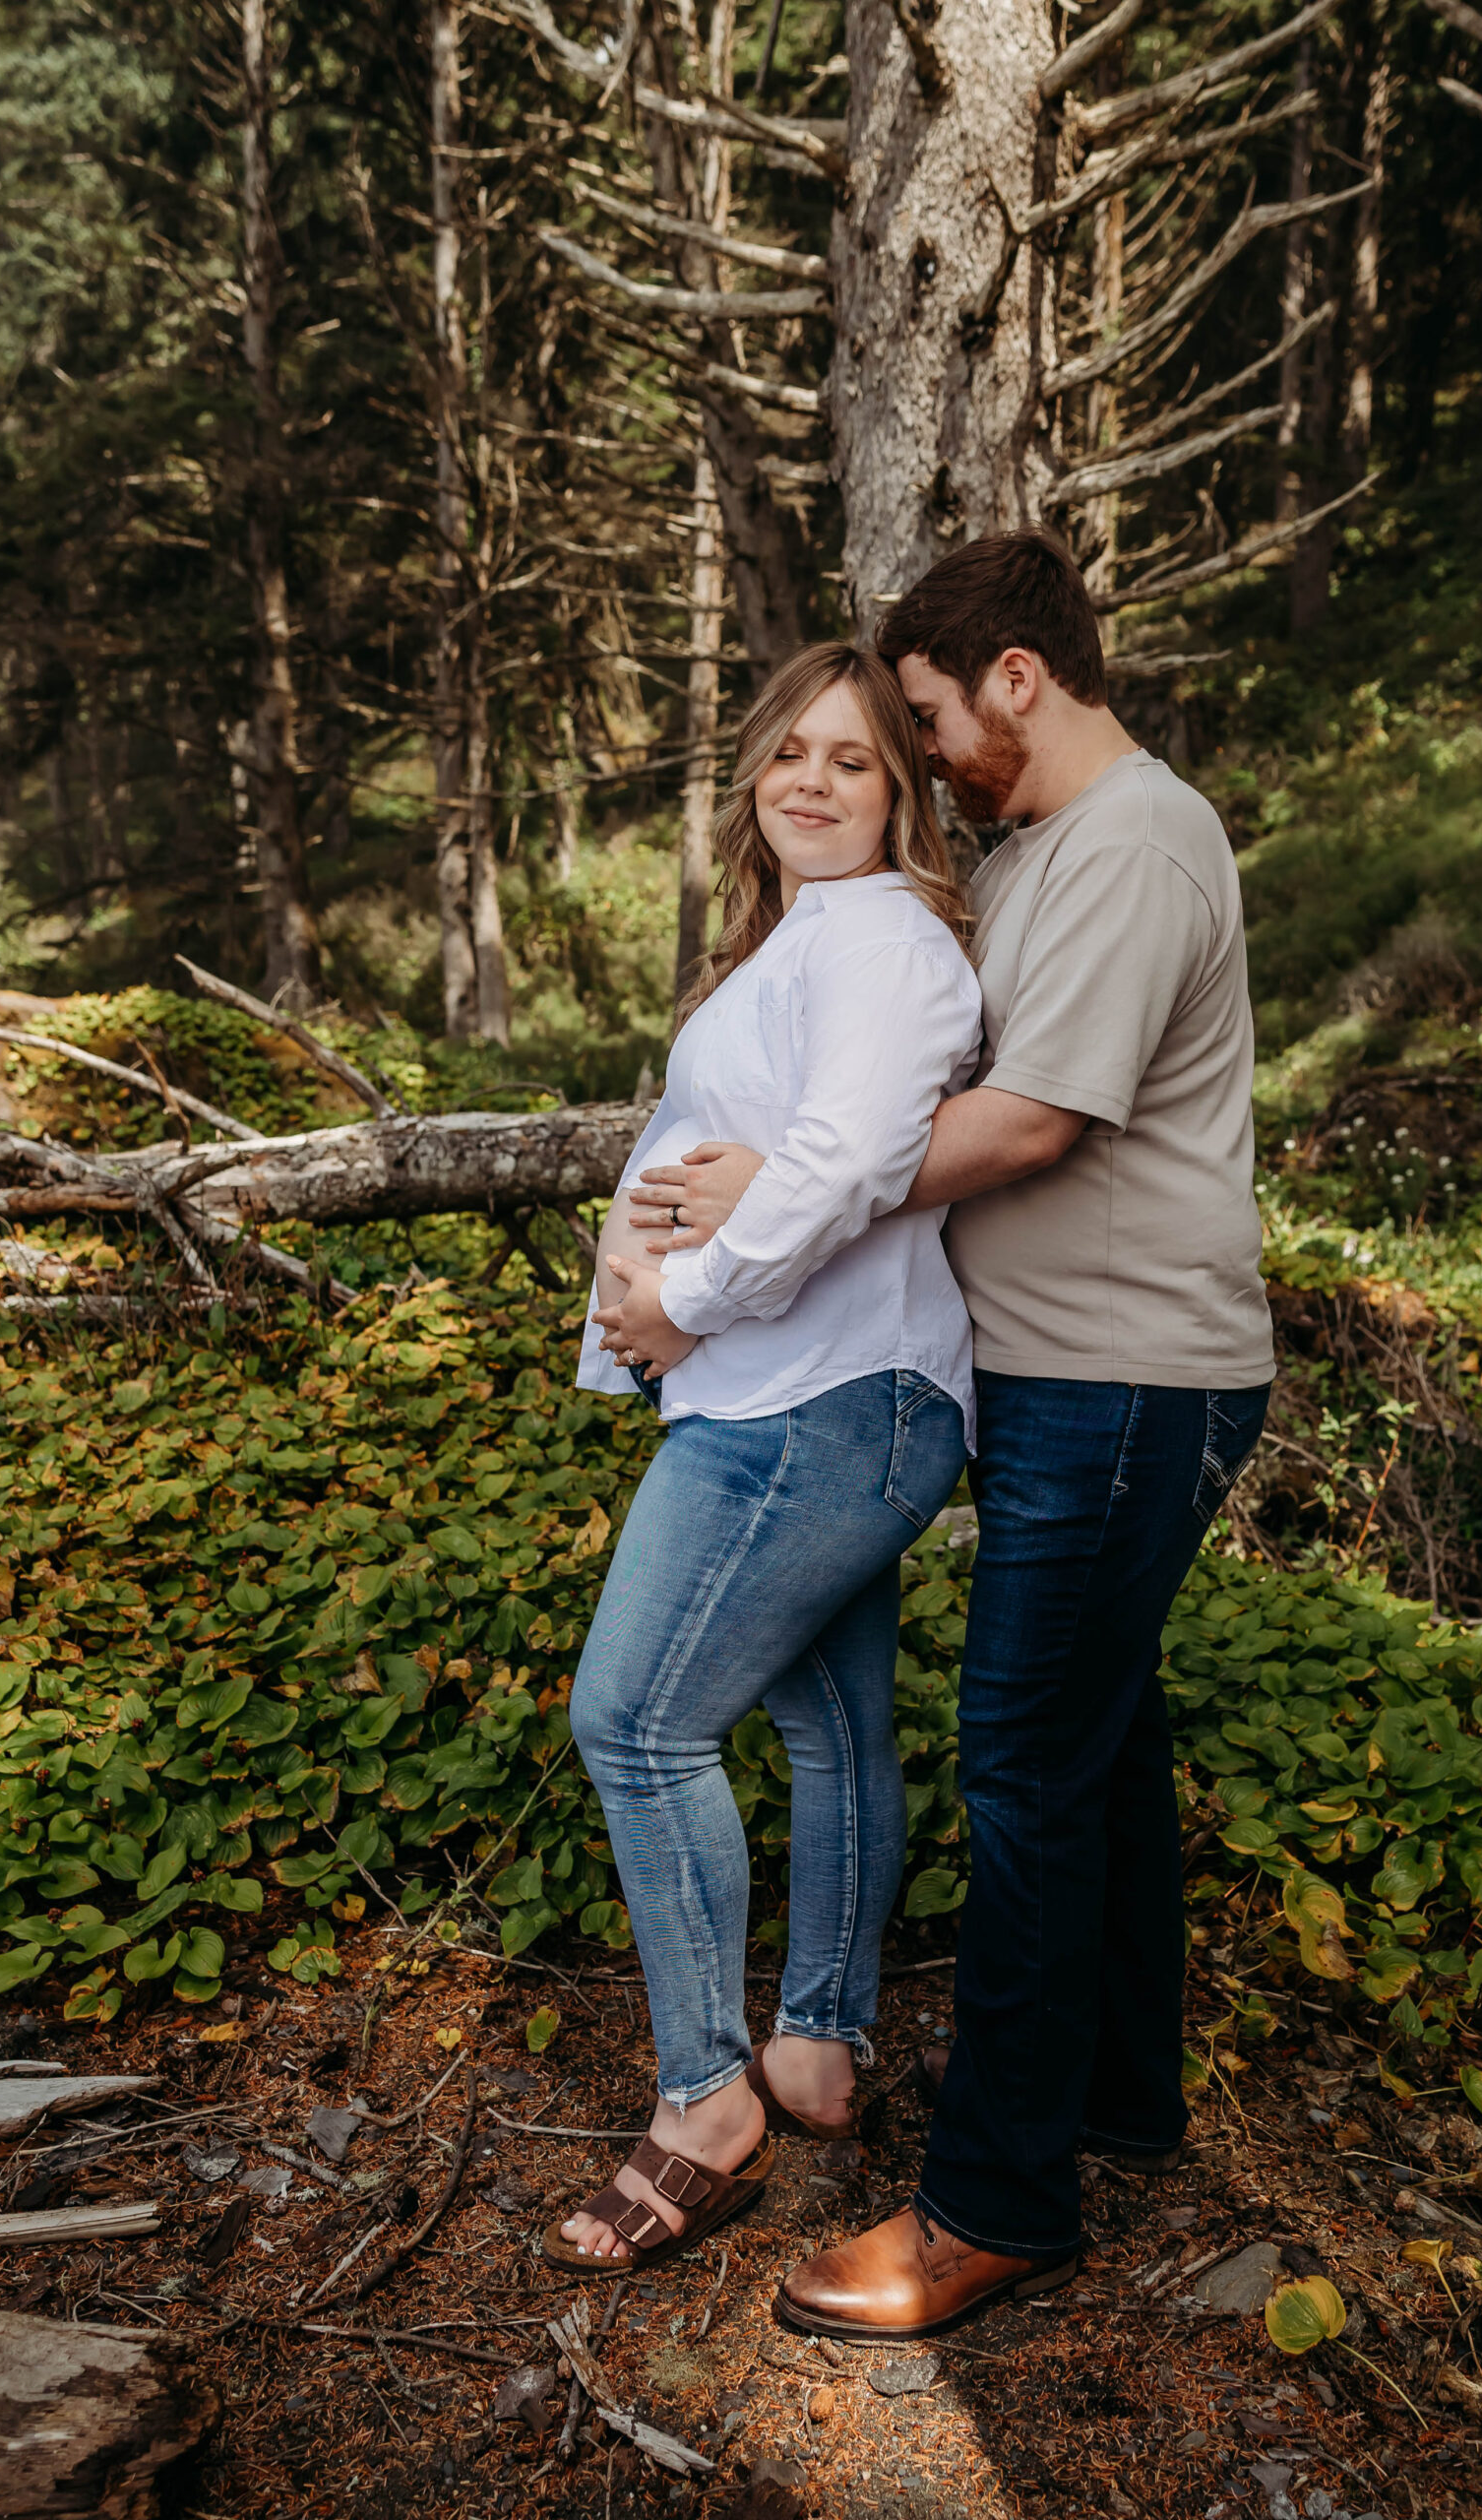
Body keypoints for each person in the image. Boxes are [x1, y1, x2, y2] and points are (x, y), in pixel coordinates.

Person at [626, 532, 1274, 2335]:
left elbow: (1037, 1122)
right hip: (1074, 1371)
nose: (914, 759)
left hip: (1129, 1375)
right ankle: (1118, 2101)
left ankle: (994, 2206)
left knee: (1024, 1771)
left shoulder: (1136, 838)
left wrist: (786, 1189)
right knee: (1100, 1749)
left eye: (919, 720)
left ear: (1014, 677)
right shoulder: (1048, 852)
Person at [542, 642, 982, 2276]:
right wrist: (635, 1329)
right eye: (788, 753)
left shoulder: (883, 942)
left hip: (821, 1396)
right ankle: (814, 2044)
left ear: (902, 792)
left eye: (852, 760)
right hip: (796, 1388)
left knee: (636, 1721)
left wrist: (693, 1302)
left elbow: (848, 1158)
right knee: (831, 1715)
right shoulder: (795, 941)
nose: (810, 780)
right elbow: (696, 1159)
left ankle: (704, 2107)